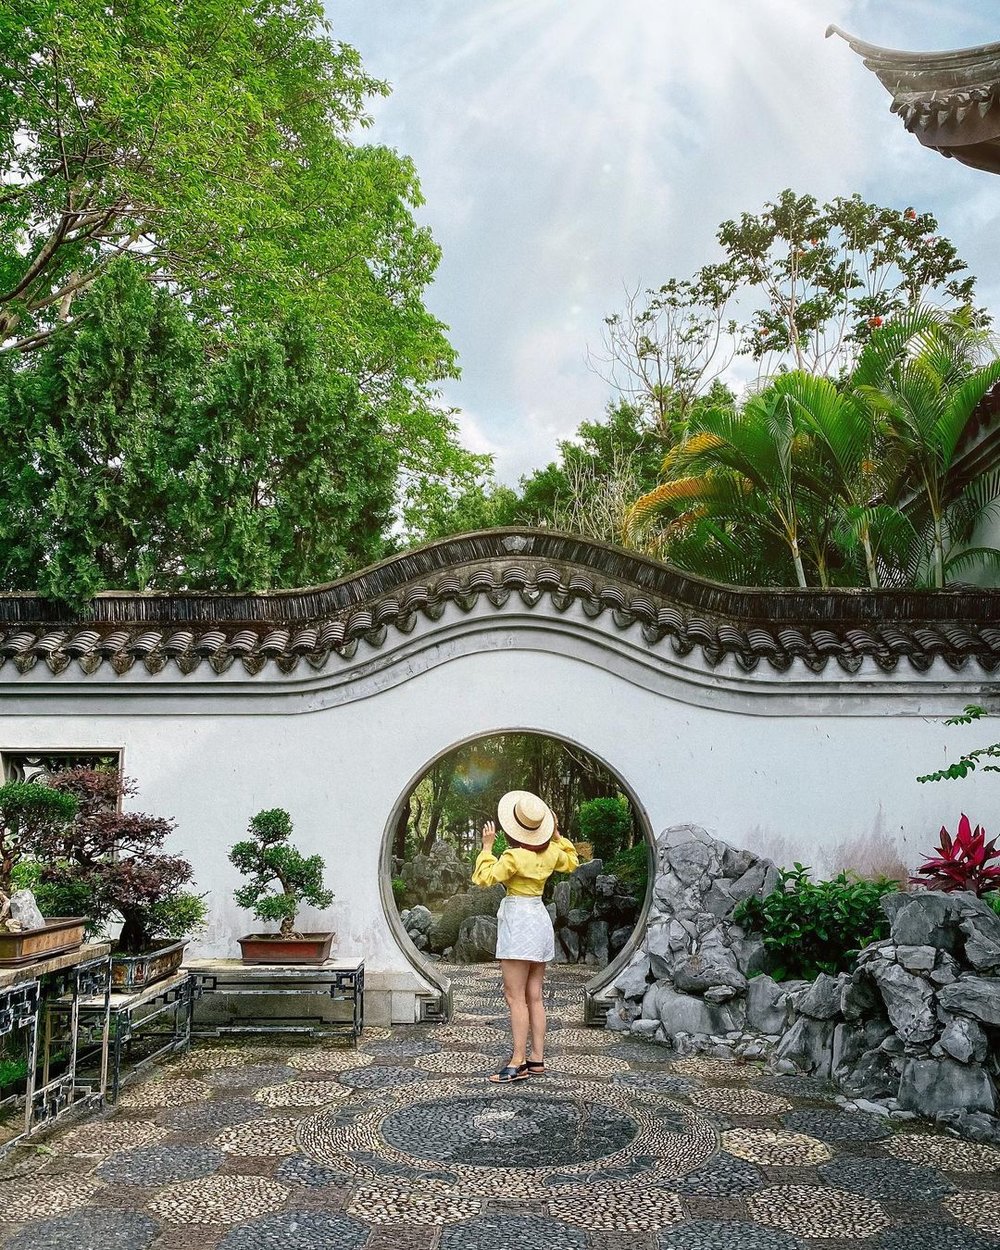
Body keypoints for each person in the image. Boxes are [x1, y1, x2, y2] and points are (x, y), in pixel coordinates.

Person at [471, 789, 580, 1083]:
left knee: (514, 996)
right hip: (539, 917)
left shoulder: (514, 856)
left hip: (519, 921)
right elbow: (572, 861)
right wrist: (557, 835)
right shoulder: (552, 852)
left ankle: (517, 1061)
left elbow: (484, 877)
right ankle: (537, 1058)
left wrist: (486, 847)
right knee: (535, 995)